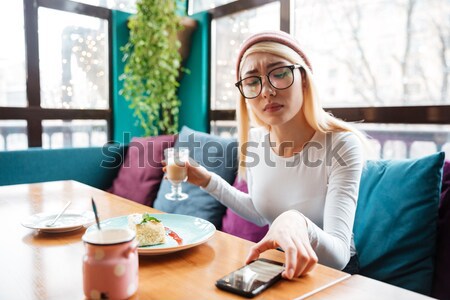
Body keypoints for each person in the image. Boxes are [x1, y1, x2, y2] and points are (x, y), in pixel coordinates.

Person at [183, 30, 369, 279]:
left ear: (303, 78)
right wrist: (207, 180)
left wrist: (297, 222)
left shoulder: (342, 144)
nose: (266, 91)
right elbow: (261, 213)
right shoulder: (255, 142)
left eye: (279, 73)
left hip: (332, 275)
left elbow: (338, 257)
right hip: (277, 264)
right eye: (252, 81)